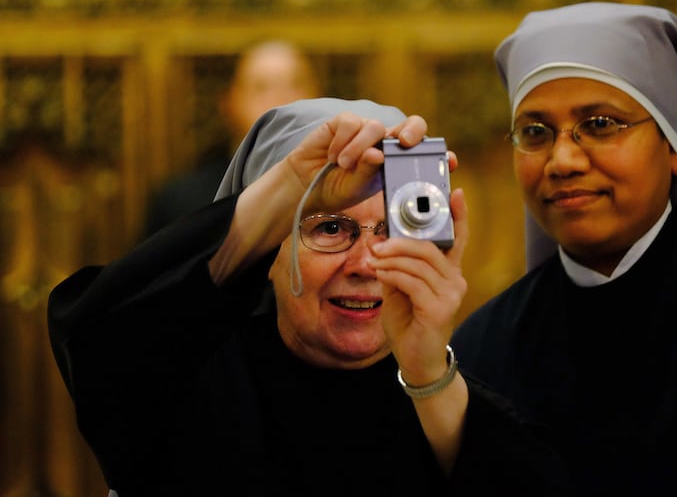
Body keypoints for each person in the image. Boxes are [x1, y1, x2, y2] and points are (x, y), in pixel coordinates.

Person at [48, 98, 570, 496]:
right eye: (330, 228)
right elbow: (95, 339)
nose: (367, 264)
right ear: (266, 254)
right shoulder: (184, 382)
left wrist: (431, 378)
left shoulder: (456, 391)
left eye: (394, 230)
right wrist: (294, 185)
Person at [452, 2, 677, 496]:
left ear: (673, 144)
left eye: (599, 124)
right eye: (535, 132)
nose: (563, 160)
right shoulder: (483, 345)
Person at [143, 40, 321, 237]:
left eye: (295, 84)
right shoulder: (182, 202)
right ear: (229, 102)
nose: (281, 99)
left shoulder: (346, 189)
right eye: (261, 87)